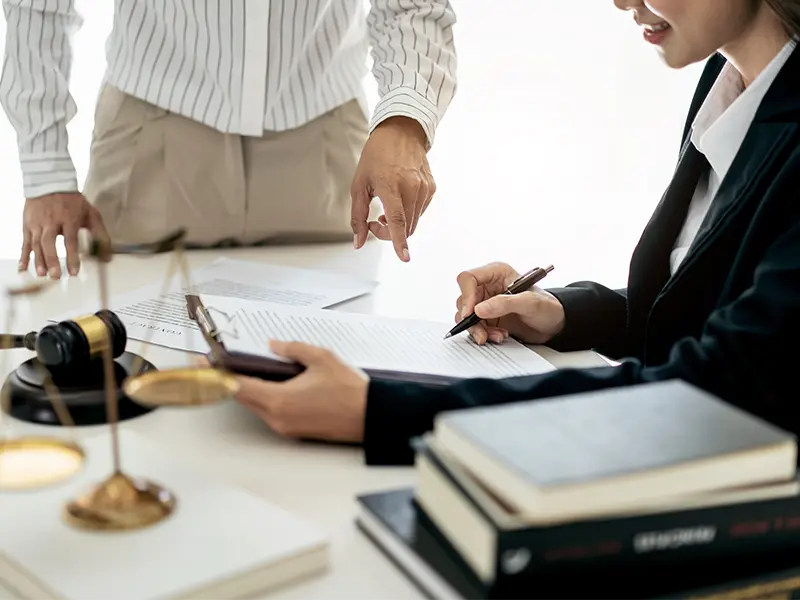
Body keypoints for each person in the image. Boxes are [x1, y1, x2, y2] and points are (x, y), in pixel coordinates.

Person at [216, 0, 800, 466]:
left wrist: (380, 411)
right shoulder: (728, 82)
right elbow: (710, 309)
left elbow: (711, 388)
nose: (623, 1)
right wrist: (562, 313)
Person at [0, 1, 457, 279]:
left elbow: (411, 5)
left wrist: (405, 120)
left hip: (325, 139)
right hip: (150, 139)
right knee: (130, 366)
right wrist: (45, 167)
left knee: (331, 361)